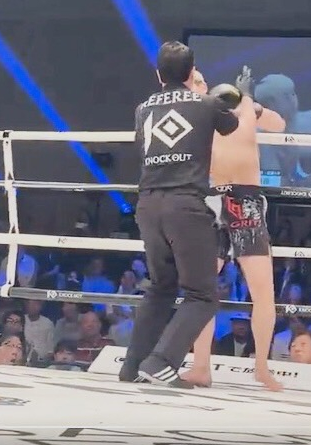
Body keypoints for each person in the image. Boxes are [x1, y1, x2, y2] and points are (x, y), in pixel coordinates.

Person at [119, 41, 239, 387]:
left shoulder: (142, 109)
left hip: (148, 205)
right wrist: (239, 100)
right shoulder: (207, 103)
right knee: (202, 294)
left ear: (159, 74)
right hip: (184, 204)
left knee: (161, 287)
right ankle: (160, 362)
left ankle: (132, 366)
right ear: (191, 72)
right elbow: (231, 125)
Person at [180, 67, 286, 391]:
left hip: (246, 201)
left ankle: (262, 367)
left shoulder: (241, 108)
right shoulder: (191, 116)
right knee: (202, 290)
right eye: (195, 81)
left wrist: (251, 104)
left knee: (263, 291)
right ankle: (201, 366)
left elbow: (279, 125)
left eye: (202, 80)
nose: (201, 84)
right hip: (212, 200)